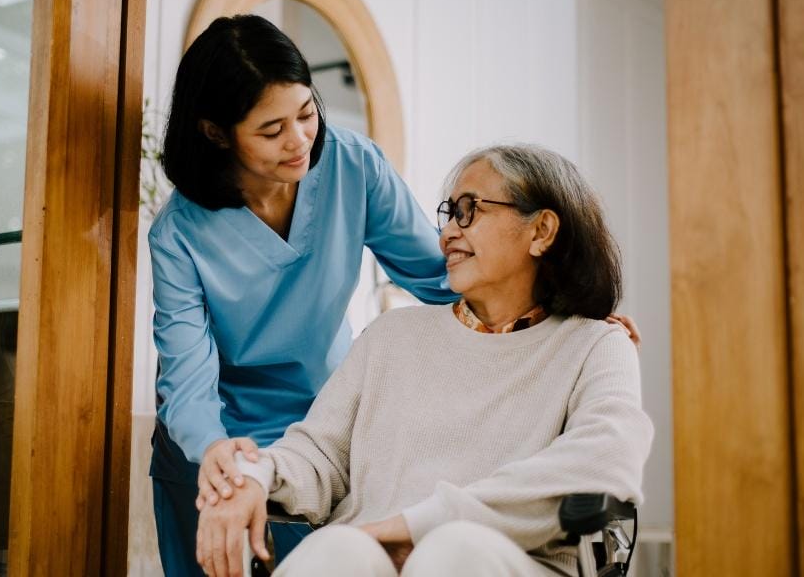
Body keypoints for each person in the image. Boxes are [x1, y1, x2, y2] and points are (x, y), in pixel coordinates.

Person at [194, 144, 654, 577]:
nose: (448, 233)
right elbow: (319, 458)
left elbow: (606, 460)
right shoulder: (391, 336)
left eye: (469, 211)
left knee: (454, 551)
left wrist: (416, 525)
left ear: (541, 231)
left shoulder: (596, 345)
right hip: (367, 554)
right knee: (339, 550)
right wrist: (255, 475)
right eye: (449, 214)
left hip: (507, 561)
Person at [149, 14, 461, 575]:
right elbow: (187, 378)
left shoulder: (353, 164)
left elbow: (441, 276)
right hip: (214, 440)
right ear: (216, 132)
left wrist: (557, 310)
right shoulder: (178, 234)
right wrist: (217, 456)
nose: (299, 142)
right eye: (271, 131)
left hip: (318, 428)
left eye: (306, 113)